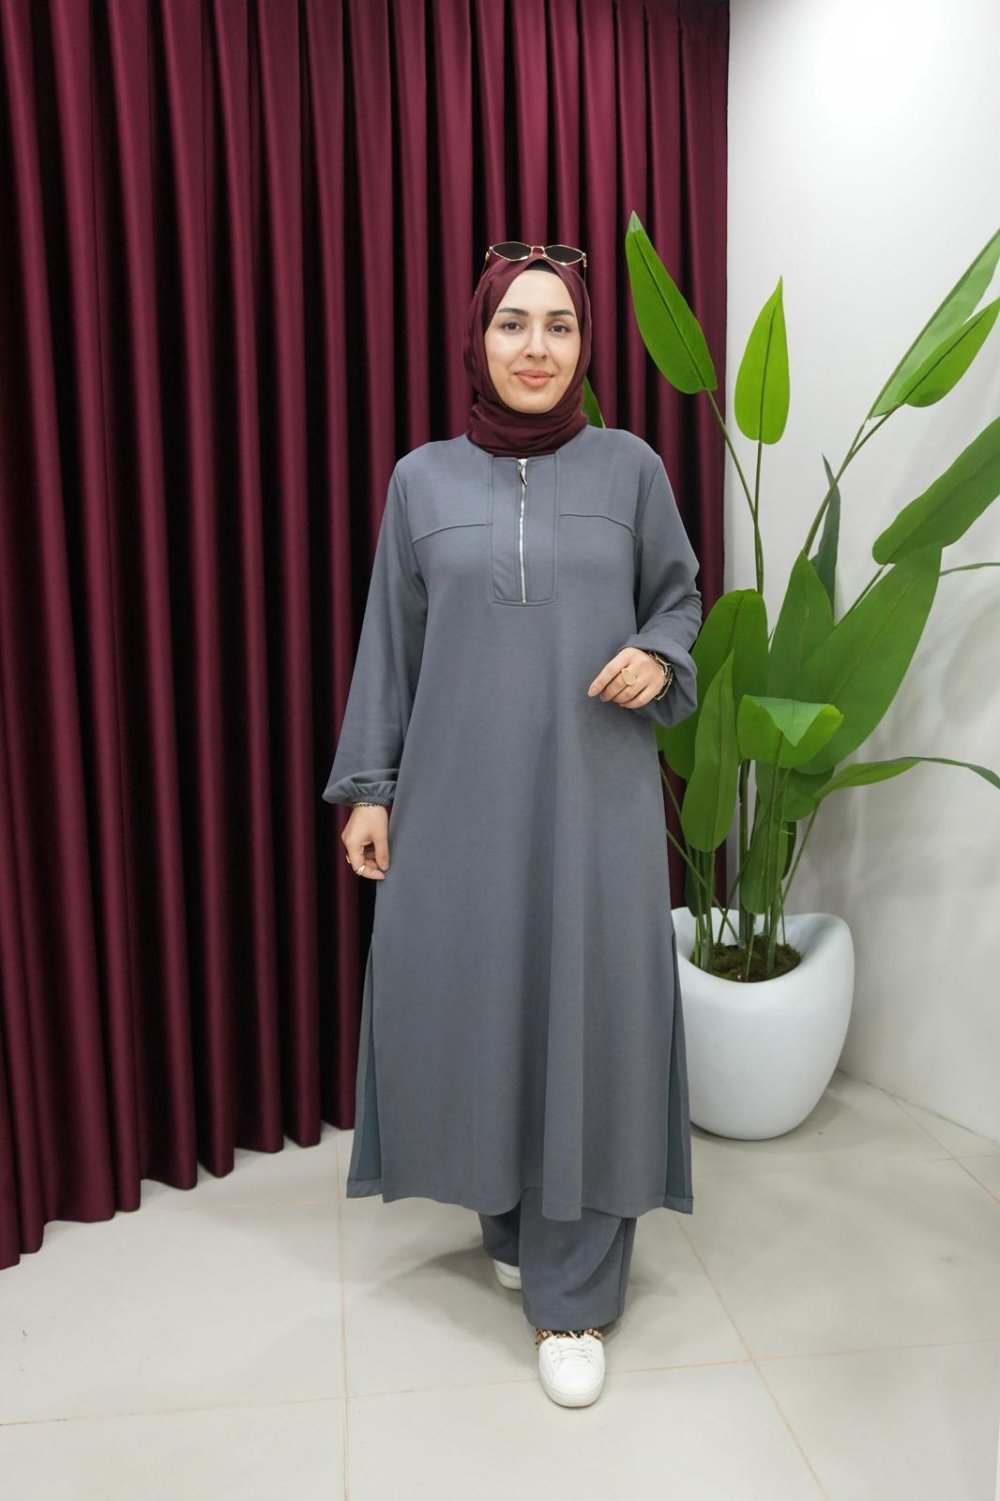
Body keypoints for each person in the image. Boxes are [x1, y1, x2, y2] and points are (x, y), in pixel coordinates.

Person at [322, 241, 702, 1408]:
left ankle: (572, 1289)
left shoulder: (630, 469)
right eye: (512, 324)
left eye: (560, 326)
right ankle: (512, 1213)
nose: (536, 348)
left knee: (592, 1013)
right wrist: (371, 785)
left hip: (596, 805)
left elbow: (678, 596)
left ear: (585, 346)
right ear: (479, 339)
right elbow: (390, 640)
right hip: (460, 804)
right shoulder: (422, 481)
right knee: (482, 1007)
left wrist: (658, 652)